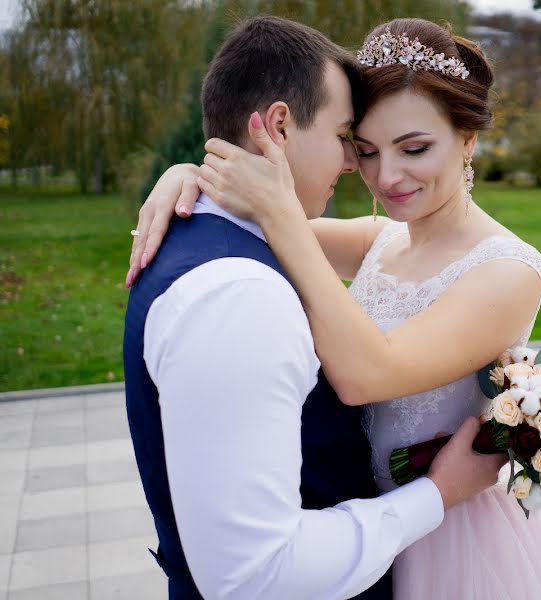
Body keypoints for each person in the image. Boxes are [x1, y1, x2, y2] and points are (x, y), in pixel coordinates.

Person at [122, 16, 506, 600]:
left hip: (456, 535)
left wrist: (271, 208)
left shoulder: (506, 267)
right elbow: (249, 225)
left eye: (416, 148)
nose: (376, 173)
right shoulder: (378, 239)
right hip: (373, 535)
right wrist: (189, 174)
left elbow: (366, 372)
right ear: (278, 125)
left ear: (468, 139)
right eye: (362, 147)